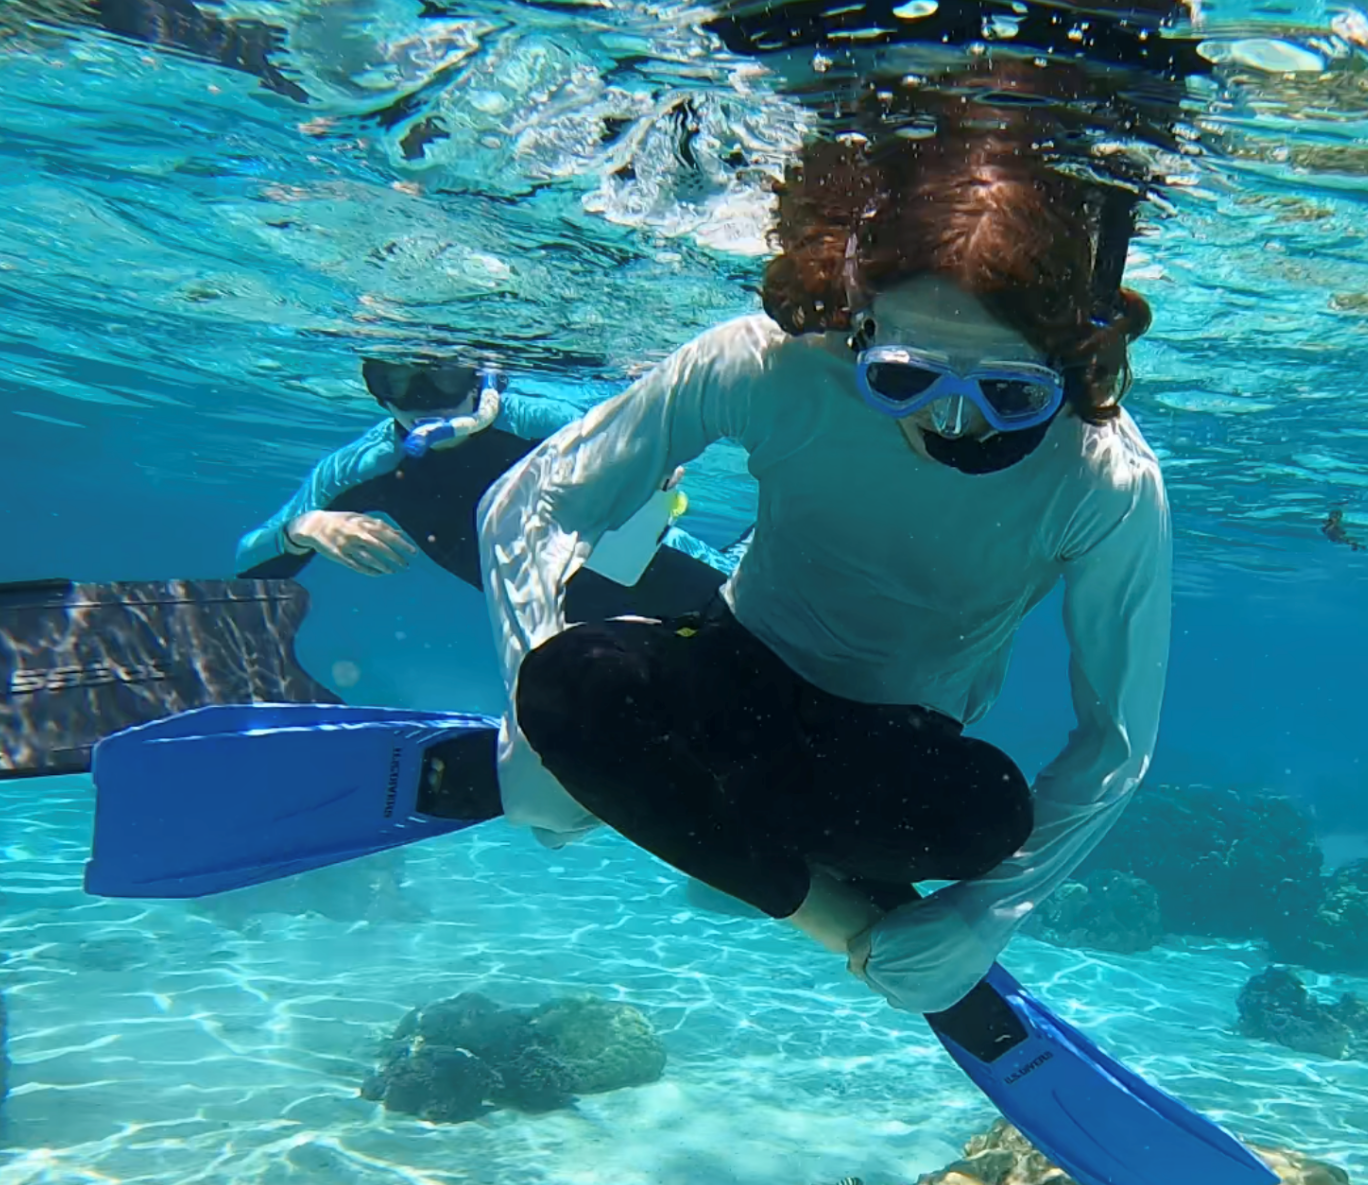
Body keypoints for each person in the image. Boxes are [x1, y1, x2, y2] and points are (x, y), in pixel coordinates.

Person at [480, 93, 1172, 1019]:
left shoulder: (1106, 479)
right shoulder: (774, 363)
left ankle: (645, 795)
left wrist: (991, 906)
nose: (951, 420)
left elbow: (1115, 741)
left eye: (1008, 393)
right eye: (904, 380)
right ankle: (830, 911)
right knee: (567, 685)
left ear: (1070, 358)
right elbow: (531, 501)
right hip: (729, 672)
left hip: (886, 756)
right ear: (859, 327)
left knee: (987, 819)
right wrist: (532, 693)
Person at [235, 359, 732, 623]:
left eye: (443, 375)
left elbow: (665, 453)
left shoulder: (546, 422)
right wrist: (304, 528)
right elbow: (248, 563)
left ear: (482, 376)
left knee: (748, 602)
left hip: (682, 581)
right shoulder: (367, 467)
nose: (422, 400)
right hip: (573, 632)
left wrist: (655, 481)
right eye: (395, 380)